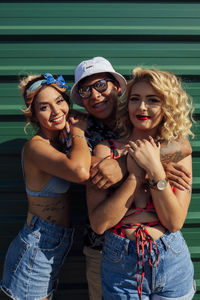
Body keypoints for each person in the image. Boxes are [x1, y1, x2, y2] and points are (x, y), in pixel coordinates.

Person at [70, 57, 193, 300]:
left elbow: (175, 221)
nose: (142, 108)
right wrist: (135, 172)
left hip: (171, 258)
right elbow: (100, 223)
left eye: (153, 100)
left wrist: (156, 169)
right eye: (135, 99)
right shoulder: (98, 144)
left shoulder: (176, 149)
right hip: (118, 260)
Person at [0, 73, 91, 300]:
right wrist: (79, 130)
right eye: (44, 107)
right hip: (36, 247)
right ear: (33, 115)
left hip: (52, 245)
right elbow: (80, 172)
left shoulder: (60, 143)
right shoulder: (36, 148)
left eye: (59, 102)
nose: (56, 111)